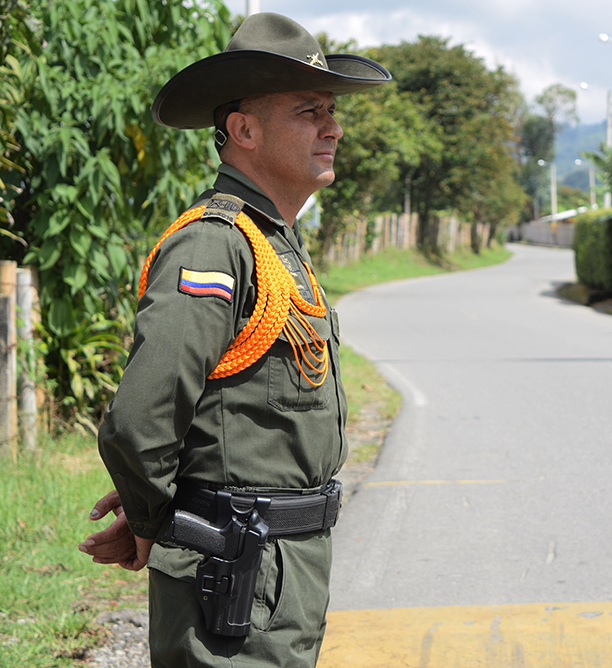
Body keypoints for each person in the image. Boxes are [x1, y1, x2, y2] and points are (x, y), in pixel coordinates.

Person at [77, 13, 390, 667]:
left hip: (278, 573)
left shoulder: (274, 241)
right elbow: (139, 423)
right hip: (236, 576)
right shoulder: (216, 243)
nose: (333, 129)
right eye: (310, 111)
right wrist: (149, 518)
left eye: (332, 112)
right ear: (244, 130)